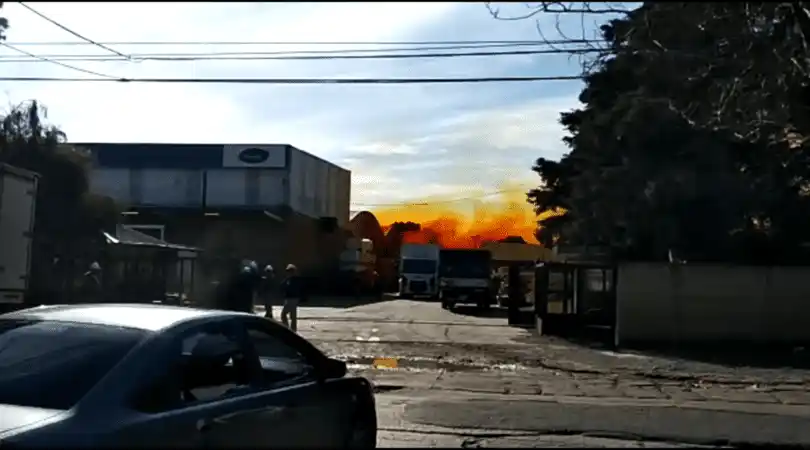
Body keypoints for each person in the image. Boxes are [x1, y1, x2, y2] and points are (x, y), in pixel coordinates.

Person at [280, 264, 306, 332]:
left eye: (289, 271)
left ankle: (287, 329)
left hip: (291, 299)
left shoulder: (294, 280)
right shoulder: (291, 279)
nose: (288, 273)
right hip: (292, 299)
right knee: (293, 316)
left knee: (283, 315)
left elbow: (288, 288)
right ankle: (293, 330)